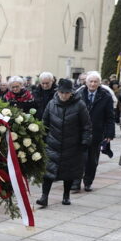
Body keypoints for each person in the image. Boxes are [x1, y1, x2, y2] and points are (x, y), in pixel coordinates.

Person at [36, 78, 91, 207]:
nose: (64, 95)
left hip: (72, 144)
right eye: (61, 92)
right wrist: (42, 139)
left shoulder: (80, 105)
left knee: (69, 172)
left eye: (66, 93)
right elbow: (45, 123)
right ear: (58, 92)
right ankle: (44, 197)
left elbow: (86, 125)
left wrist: (85, 141)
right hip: (52, 143)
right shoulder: (51, 104)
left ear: (71, 92)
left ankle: (66, 196)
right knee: (48, 172)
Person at [74, 71, 115, 192]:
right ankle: (75, 183)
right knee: (78, 158)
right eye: (90, 81)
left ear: (99, 83)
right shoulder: (78, 94)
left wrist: (109, 133)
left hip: (97, 132)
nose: (92, 84)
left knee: (92, 159)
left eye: (95, 82)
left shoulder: (106, 96)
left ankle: (88, 182)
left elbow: (110, 117)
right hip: (80, 132)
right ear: (86, 82)